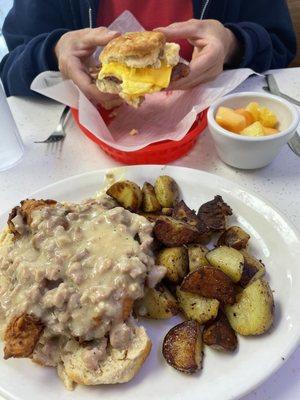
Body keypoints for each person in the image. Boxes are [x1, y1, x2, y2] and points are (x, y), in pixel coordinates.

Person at [0, 0, 296, 105]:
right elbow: (10, 71)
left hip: (218, 143)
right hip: (81, 159)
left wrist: (232, 43)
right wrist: (54, 51)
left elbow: (280, 44)